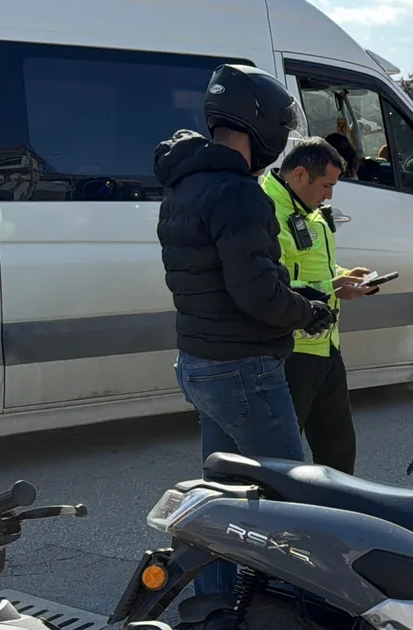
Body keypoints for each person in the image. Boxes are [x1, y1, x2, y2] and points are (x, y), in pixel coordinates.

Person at [155, 64, 335, 599]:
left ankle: (214, 603)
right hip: (243, 368)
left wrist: (293, 298)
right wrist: (310, 311)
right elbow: (257, 293)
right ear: (262, 126)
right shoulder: (239, 193)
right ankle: (304, 604)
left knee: (222, 495)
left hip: (199, 361)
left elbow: (225, 279)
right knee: (293, 497)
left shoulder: (184, 184)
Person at [261, 137, 375, 475]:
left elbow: (311, 269)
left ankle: (339, 520)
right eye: (326, 185)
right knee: (284, 456)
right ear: (299, 174)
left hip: (327, 347)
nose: (329, 195)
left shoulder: (309, 211)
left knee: (339, 451)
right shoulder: (266, 211)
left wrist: (343, 277)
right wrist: (332, 288)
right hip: (291, 351)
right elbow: (267, 286)